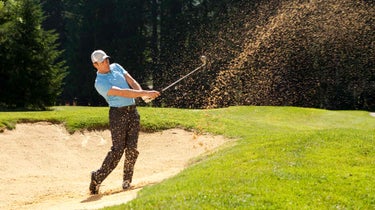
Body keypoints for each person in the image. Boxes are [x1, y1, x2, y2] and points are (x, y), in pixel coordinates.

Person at [89, 49, 160, 194]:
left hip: (132, 112)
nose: (106, 62)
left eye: (107, 59)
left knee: (132, 149)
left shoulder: (117, 67)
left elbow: (131, 82)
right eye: (102, 61)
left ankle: (127, 180)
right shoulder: (100, 82)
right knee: (118, 150)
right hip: (117, 115)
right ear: (95, 64)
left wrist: (142, 96)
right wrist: (145, 93)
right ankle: (97, 177)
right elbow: (123, 92)